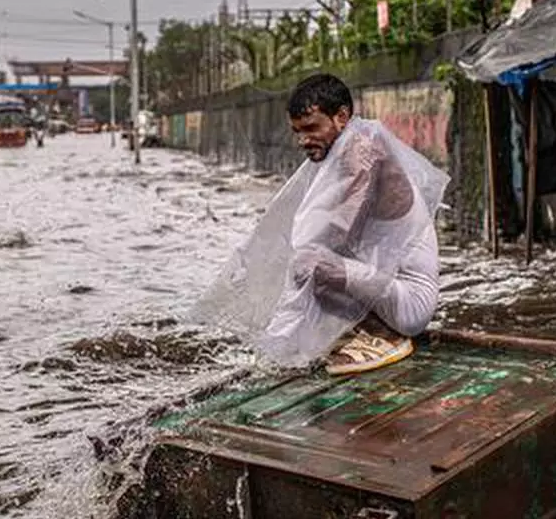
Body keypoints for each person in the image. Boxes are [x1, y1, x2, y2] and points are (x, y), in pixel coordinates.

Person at [191, 73, 449, 375]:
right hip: (383, 284)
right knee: (301, 262)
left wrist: (286, 322)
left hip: (409, 304)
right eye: (297, 132)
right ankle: (355, 330)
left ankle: (386, 336)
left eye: (312, 128)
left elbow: (338, 232)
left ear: (341, 117)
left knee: (310, 263)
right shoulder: (342, 149)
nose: (303, 141)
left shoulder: (363, 152)